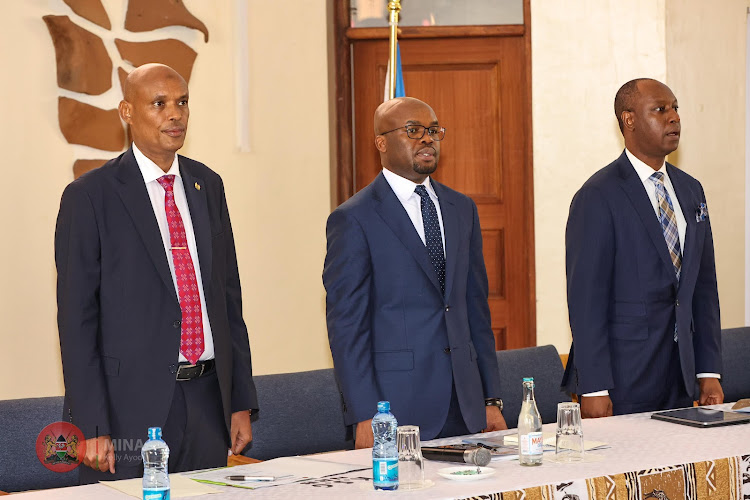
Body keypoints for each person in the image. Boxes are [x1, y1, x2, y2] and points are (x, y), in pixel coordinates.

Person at [55, 63, 258, 482]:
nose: (176, 114)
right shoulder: (90, 196)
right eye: (160, 103)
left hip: (206, 399)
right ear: (127, 112)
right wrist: (92, 425)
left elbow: (227, 297)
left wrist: (239, 398)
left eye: (182, 102)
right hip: (128, 408)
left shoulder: (208, 185)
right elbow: (77, 320)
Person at [323, 97, 507, 447]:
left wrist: (490, 398)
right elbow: (347, 326)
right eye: (413, 131)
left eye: (433, 130)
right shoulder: (354, 218)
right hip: (396, 409)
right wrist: (364, 414)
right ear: (381, 142)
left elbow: (475, 309)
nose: (427, 138)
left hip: (466, 405)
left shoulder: (461, 208)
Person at [562, 78, 724, 417]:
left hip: (680, 376)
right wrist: (593, 386)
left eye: (676, 108)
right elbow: (586, 300)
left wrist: (708, 370)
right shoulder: (598, 195)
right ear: (629, 119)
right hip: (622, 380)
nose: (674, 118)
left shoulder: (690, 189)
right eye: (660, 109)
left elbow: (703, 287)